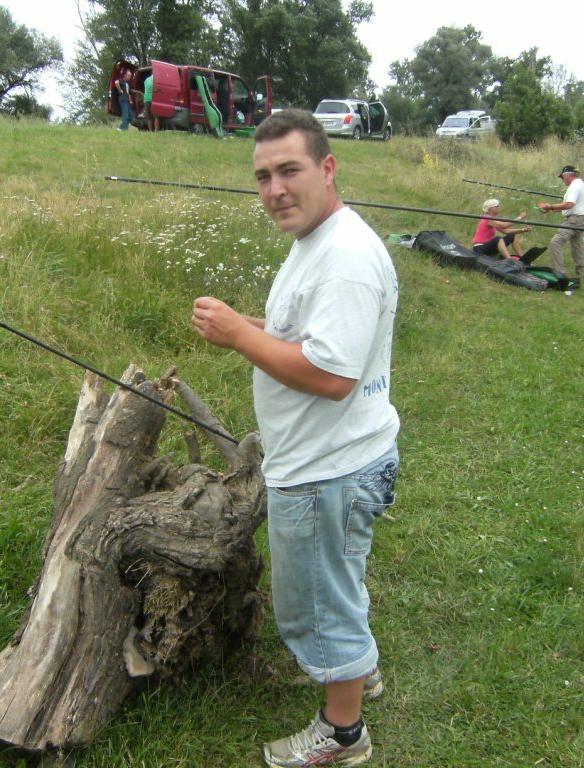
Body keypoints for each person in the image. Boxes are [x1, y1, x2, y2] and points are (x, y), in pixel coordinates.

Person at [191, 108, 400, 768]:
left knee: (318, 604)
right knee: (342, 578)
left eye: (290, 170)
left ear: (328, 167)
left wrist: (240, 336)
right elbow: (314, 333)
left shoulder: (343, 257)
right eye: (262, 177)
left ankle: (343, 735)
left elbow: (333, 376)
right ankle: (358, 675)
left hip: (326, 470)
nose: (275, 189)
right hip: (342, 458)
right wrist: (252, 324)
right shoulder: (320, 238)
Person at [537, 165, 584, 287]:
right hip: (580, 218)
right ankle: (583, 275)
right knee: (578, 247)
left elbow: (569, 204)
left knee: (556, 242)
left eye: (562, 177)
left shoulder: (575, 185)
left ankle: (559, 273)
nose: (562, 180)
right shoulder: (580, 184)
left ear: (568, 175)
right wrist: (553, 210)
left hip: (574, 220)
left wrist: (550, 206)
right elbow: (573, 206)